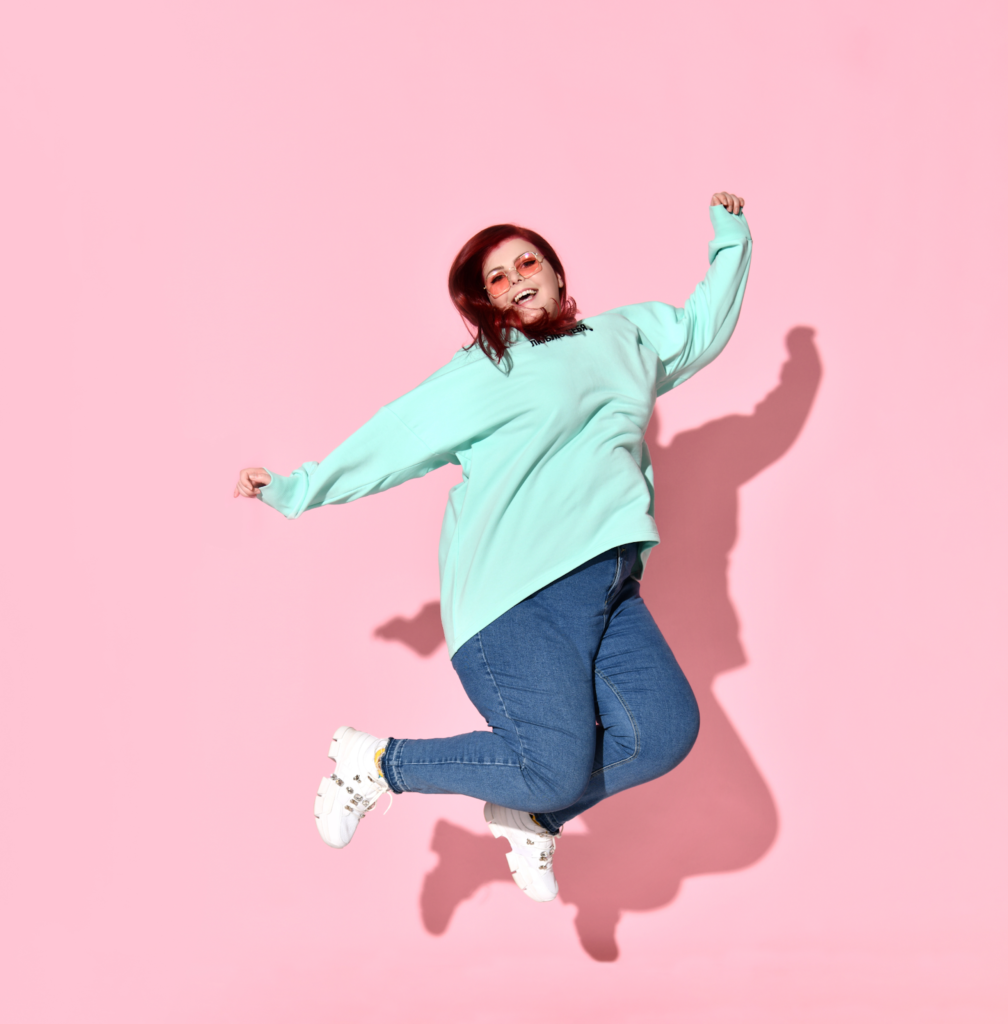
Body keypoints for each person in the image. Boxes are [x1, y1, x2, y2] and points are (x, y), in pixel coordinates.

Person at [234, 192, 751, 902]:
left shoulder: (625, 337)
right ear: (487, 306)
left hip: (610, 585)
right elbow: (401, 433)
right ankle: (376, 763)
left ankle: (532, 813)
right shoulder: (489, 368)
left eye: (526, 262)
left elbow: (699, 331)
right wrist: (300, 488)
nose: (515, 280)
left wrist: (730, 241)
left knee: (662, 732)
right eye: (496, 280)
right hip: (515, 598)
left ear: (560, 275)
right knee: (555, 762)